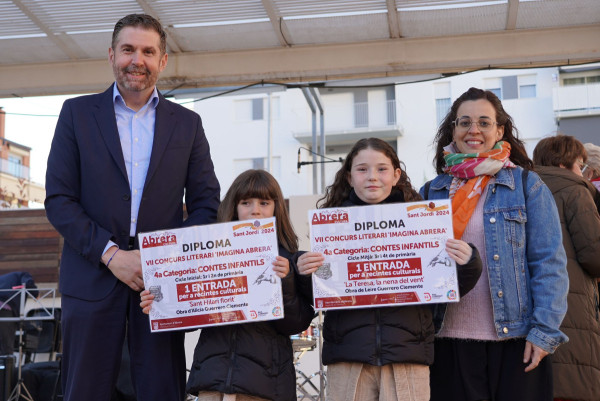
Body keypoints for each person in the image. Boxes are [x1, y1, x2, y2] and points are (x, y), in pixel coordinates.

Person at [44, 14, 220, 401]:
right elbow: (59, 199)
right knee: (85, 391)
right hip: (90, 278)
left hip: (160, 287)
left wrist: (162, 259)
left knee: (161, 389)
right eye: (128, 49)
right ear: (111, 55)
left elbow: (207, 204)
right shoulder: (76, 114)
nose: (136, 60)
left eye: (147, 51)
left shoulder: (188, 124)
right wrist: (112, 255)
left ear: (163, 60)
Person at [296, 138, 482, 401]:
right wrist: (306, 272)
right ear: (349, 177)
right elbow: (321, 291)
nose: (372, 177)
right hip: (349, 359)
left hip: (407, 358)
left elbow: (444, 286)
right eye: (362, 169)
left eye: (382, 169)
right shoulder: (331, 228)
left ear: (396, 175)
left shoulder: (423, 225)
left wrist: (468, 263)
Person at [424, 87, 569, 401]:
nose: (473, 130)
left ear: (500, 130)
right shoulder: (431, 192)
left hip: (516, 342)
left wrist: (544, 333)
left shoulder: (527, 185)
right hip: (447, 342)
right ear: (453, 130)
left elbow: (549, 264)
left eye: (484, 122)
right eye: (464, 122)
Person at [141, 169, 314, 401]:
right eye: (246, 202)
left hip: (265, 385)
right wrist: (159, 303)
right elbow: (187, 320)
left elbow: (297, 323)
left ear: (276, 208)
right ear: (233, 207)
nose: (255, 210)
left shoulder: (290, 260)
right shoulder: (208, 258)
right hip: (213, 381)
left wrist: (286, 281)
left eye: (264, 202)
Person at [533, 135, 600, 401]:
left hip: (533, 314)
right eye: (580, 165)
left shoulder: (523, 187)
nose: (582, 172)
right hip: (573, 309)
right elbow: (595, 256)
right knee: (572, 384)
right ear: (566, 163)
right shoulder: (575, 189)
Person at [0, 271, 37, 355]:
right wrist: (36, 294)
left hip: (4, 308)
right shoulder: (24, 275)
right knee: (6, 347)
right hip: (5, 309)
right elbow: (28, 283)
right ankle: (7, 367)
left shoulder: (3, 279)